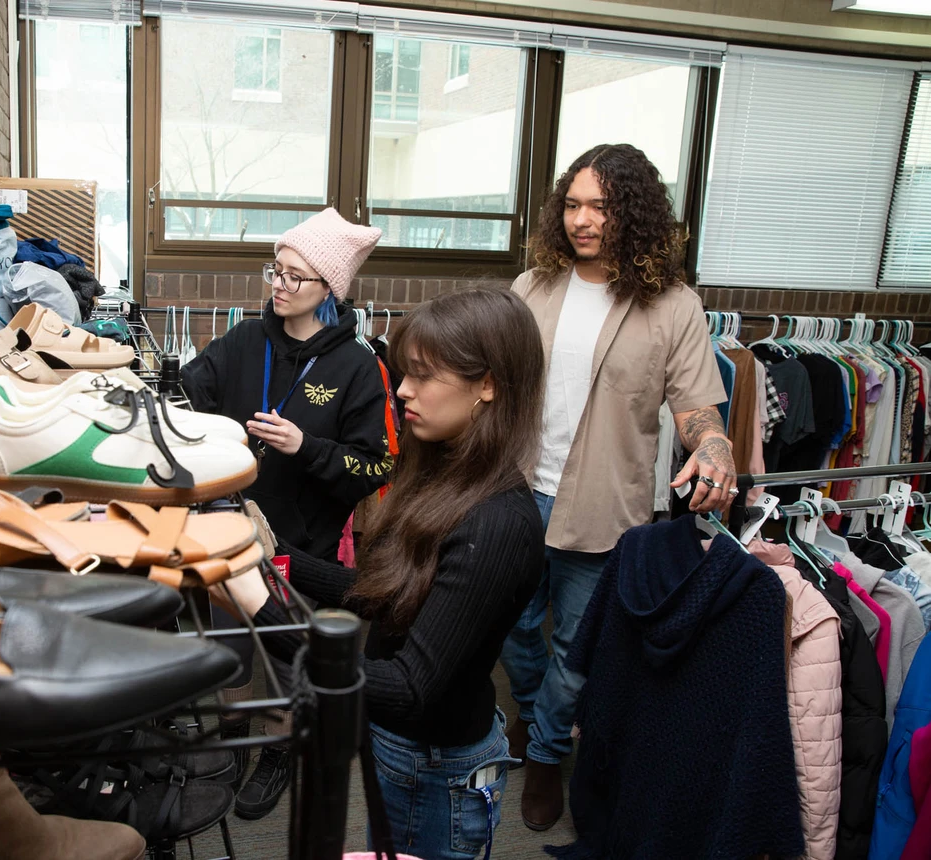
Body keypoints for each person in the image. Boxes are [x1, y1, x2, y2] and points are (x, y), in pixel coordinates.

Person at [218, 288, 546, 859]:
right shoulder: (442, 477)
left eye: (424, 375)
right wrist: (279, 559)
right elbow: (387, 595)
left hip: (437, 769)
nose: (402, 390)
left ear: (488, 384)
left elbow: (408, 690)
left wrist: (261, 606)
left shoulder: (496, 523)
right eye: (403, 372)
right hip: (408, 755)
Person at [499, 142, 735, 831]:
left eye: (600, 206)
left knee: (578, 648)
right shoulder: (532, 287)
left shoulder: (673, 306)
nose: (583, 219)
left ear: (632, 212)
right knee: (512, 627)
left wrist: (715, 451)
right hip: (516, 492)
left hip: (602, 507)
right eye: (572, 204)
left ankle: (544, 755)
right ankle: (534, 711)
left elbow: (697, 410)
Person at [181, 207, 392, 819]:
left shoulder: (357, 367)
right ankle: (234, 742)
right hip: (227, 529)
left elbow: (375, 467)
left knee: (283, 656)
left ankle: (277, 748)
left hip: (303, 550)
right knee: (228, 648)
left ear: (329, 290)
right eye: (275, 269)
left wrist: (309, 449)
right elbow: (191, 394)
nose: (278, 284)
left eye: (295, 276)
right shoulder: (247, 338)